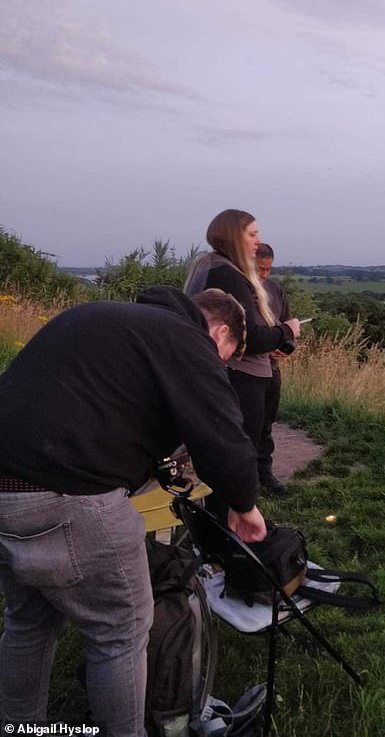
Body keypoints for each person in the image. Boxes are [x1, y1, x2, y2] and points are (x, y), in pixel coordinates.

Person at [0, 286, 267, 737]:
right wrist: (245, 505)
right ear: (220, 332)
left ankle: (18, 728)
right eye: (227, 358)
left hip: (6, 491)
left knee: (29, 621)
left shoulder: (103, 318)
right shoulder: (187, 340)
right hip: (69, 496)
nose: (221, 366)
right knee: (119, 631)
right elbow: (223, 439)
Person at [186, 210, 300, 496]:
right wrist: (288, 331)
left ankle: (245, 493)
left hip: (243, 370)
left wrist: (281, 343)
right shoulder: (229, 275)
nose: (257, 241)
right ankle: (238, 508)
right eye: (252, 234)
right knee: (241, 442)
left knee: (251, 433)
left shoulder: (210, 266)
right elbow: (247, 337)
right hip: (240, 373)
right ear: (235, 237)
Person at [255, 243, 293, 495]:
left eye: (268, 269)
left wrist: (287, 347)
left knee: (266, 425)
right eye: (260, 269)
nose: (264, 275)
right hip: (245, 370)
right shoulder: (239, 290)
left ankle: (265, 474)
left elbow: (287, 325)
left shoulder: (275, 290)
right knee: (244, 426)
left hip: (272, 368)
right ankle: (244, 480)